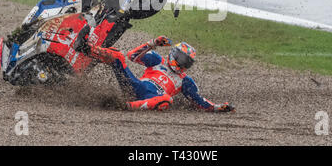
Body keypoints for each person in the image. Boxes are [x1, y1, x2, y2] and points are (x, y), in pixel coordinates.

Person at [87, 36, 235, 112]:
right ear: (173, 54)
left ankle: (127, 106)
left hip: (153, 98)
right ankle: (86, 48)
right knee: (118, 56)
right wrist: (153, 43)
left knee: (167, 100)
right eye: (181, 58)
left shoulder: (185, 81)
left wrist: (217, 107)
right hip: (135, 85)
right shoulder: (158, 60)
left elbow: (199, 101)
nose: (182, 63)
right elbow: (132, 55)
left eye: (187, 62)